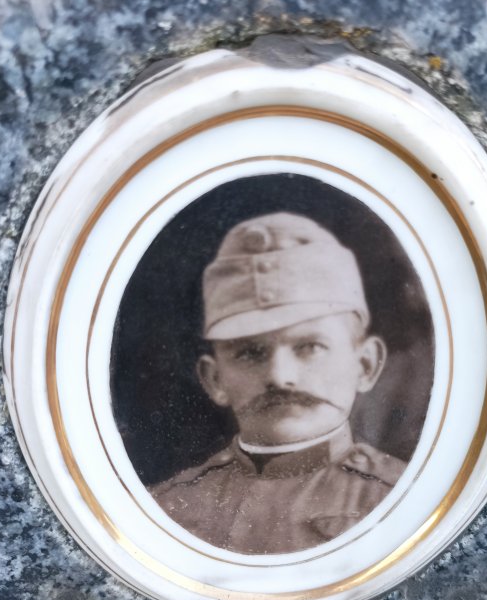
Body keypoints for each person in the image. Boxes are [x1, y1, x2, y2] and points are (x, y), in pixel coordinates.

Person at [150, 212, 407, 554]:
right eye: (249, 353)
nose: (279, 376)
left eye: (310, 347)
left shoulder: (404, 500)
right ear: (215, 379)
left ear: (365, 365)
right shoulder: (163, 511)